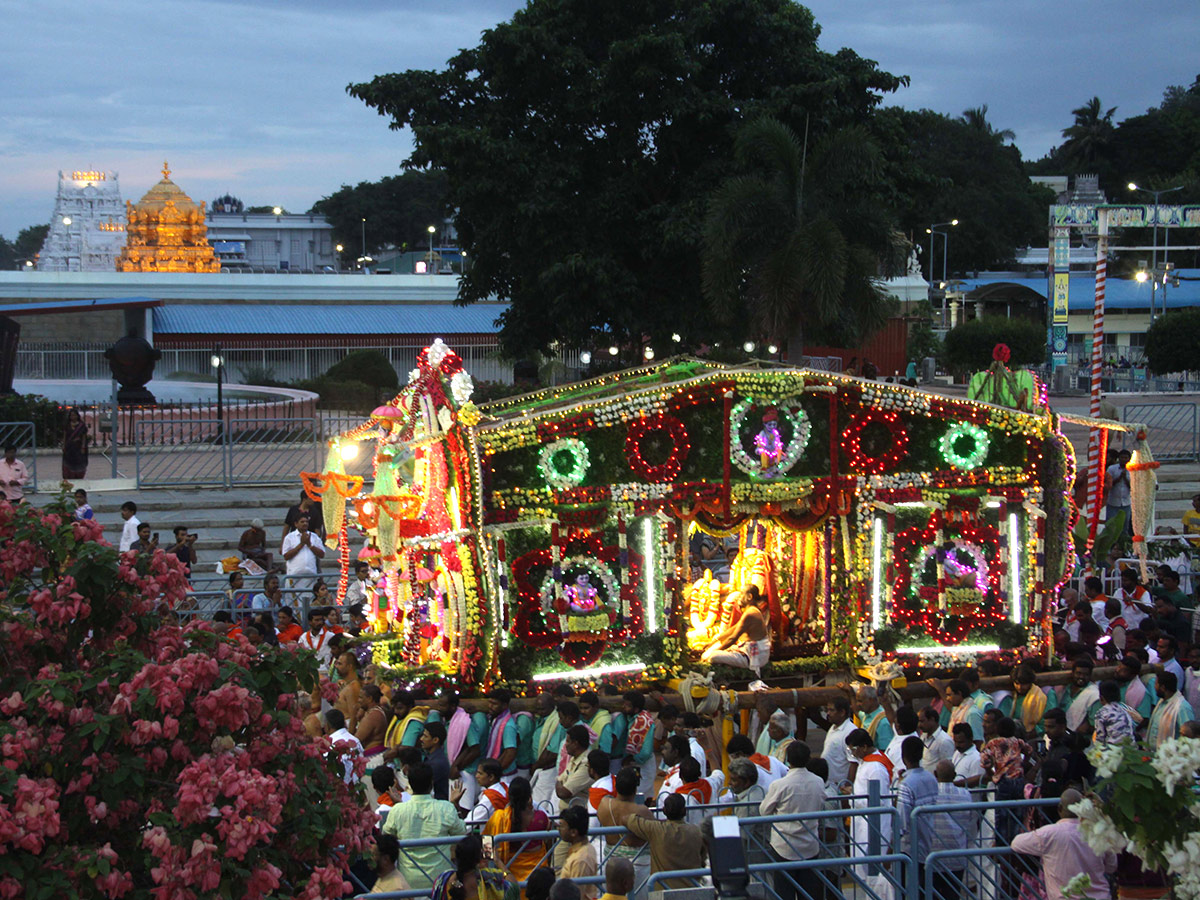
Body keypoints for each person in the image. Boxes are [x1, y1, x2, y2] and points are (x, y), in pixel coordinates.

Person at [1011, 789, 1116, 900]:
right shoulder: (1097, 833)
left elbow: (1016, 843)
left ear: (1059, 809)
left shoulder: (1048, 834)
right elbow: (1111, 866)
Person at [383, 762, 466, 890]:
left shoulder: (398, 810)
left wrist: (398, 806)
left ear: (409, 784)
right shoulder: (446, 808)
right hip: (440, 881)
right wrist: (455, 805)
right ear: (431, 783)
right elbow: (462, 833)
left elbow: (386, 837)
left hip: (409, 881)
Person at [759, 740, 826, 900]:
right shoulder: (818, 782)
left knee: (784, 893)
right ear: (808, 758)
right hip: (810, 845)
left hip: (784, 845)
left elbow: (764, 811)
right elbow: (821, 803)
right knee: (808, 892)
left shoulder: (780, 785)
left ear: (788, 759)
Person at [485, 776, 552, 897]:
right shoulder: (540, 818)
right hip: (537, 876)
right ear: (529, 797)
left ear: (509, 796)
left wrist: (493, 862)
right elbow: (549, 842)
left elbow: (486, 842)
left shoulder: (500, 817)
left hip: (509, 875)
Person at [623, 794, 705, 891]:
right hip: (692, 891)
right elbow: (702, 860)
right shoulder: (696, 832)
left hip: (663, 891)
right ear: (684, 811)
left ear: (664, 811)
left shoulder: (656, 829)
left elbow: (627, 819)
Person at [596, 767, 650, 900]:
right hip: (638, 868)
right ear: (635, 788)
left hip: (612, 866)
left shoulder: (604, 804)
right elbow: (655, 832)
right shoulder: (643, 811)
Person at [928, 761, 975, 900]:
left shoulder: (931, 795)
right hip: (957, 854)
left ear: (935, 774)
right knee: (953, 893)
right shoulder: (966, 795)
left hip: (933, 856)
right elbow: (970, 820)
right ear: (955, 775)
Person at [700, 585, 771, 676]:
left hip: (754, 657)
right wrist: (713, 642)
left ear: (749, 597)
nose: (739, 597)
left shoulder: (751, 613)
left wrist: (716, 651)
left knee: (712, 656)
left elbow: (733, 638)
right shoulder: (750, 611)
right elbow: (733, 629)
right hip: (748, 651)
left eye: (741, 594)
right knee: (714, 648)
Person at [432, 834, 520, 900]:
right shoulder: (488, 878)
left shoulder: (443, 879)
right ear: (479, 860)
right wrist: (498, 861)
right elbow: (513, 887)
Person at [896, 736, 938, 867]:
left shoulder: (906, 784)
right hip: (929, 846)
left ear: (903, 757)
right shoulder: (931, 778)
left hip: (909, 851)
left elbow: (901, 824)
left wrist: (891, 849)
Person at [555, 806, 598, 900]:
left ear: (573, 832)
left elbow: (577, 894)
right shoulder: (584, 849)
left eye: (561, 826)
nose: (558, 829)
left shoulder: (581, 860)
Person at [1147, 670, 1195, 749]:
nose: (1154, 687)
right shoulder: (1161, 702)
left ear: (1162, 688)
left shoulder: (1182, 707)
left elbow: (1188, 737)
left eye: (1156, 684)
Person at [819, 694, 856, 788]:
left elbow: (854, 762)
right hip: (828, 784)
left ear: (842, 712)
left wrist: (847, 788)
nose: (828, 713)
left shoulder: (850, 732)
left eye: (831, 710)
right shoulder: (833, 727)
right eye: (827, 710)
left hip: (840, 787)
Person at [281, 515, 324, 594]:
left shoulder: (314, 537)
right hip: (294, 578)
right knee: (294, 604)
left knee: (310, 603)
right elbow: (286, 556)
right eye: (302, 522)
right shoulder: (289, 537)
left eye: (306, 522)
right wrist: (301, 544)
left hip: (311, 578)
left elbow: (322, 554)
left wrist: (310, 545)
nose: (305, 524)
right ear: (296, 524)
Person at [999, 665, 1048, 736]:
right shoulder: (1010, 697)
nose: (1020, 687)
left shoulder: (1040, 698)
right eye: (1017, 684)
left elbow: (1044, 723)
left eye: (1024, 684)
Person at [556, 724, 594, 813]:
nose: (565, 745)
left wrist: (559, 783)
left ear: (575, 744)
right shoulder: (574, 758)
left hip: (577, 816)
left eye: (568, 741)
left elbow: (563, 793)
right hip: (567, 812)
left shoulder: (586, 764)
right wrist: (559, 783)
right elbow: (559, 780)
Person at [485, 688, 521, 779]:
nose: (490, 706)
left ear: (505, 705)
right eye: (489, 702)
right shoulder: (494, 720)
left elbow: (510, 753)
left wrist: (496, 772)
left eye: (494, 704)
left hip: (505, 775)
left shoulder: (508, 726)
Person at [322, 708, 363, 784]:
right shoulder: (355, 740)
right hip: (357, 785)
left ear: (327, 726)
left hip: (340, 788)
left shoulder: (328, 745)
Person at [356, 683, 389, 762]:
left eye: (361, 697)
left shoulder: (373, 715)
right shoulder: (374, 712)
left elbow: (356, 739)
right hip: (373, 755)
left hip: (373, 758)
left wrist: (354, 717)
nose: (358, 700)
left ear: (370, 699)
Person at [856, 685, 895, 751]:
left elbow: (885, 750)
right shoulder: (865, 715)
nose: (858, 704)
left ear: (871, 700)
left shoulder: (883, 722)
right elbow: (856, 711)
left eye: (860, 701)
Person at [422, 720, 453, 801]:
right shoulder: (432, 757)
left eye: (425, 736)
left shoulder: (437, 763)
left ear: (435, 740)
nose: (421, 739)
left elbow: (423, 786)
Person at [918, 705, 955, 772]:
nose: (919, 725)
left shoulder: (944, 740)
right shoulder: (923, 736)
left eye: (922, 721)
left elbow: (947, 769)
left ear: (932, 719)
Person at [1105, 449, 1132, 534]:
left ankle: (1122, 544)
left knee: (1124, 526)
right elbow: (1108, 484)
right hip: (1113, 503)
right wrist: (1120, 478)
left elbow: (1133, 487)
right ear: (1118, 458)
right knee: (1111, 525)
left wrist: (1125, 479)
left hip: (1126, 503)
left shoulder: (1132, 470)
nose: (1124, 460)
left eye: (1125, 458)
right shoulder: (1112, 469)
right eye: (1122, 458)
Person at [885, 706, 919, 771]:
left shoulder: (905, 748)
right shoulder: (904, 731)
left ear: (898, 725)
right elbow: (890, 718)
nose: (893, 720)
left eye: (895, 719)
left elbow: (902, 773)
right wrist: (885, 702)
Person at [950, 723, 984, 788]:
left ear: (971, 739)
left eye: (960, 742)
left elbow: (976, 784)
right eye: (955, 741)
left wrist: (954, 784)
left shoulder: (977, 759)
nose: (957, 745)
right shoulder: (957, 752)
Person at [61, 409, 89, 480]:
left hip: (78, 448)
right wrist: (63, 445)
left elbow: (84, 437)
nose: (73, 417)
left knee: (79, 463)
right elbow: (64, 436)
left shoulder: (81, 426)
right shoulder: (67, 425)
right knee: (67, 463)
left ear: (77, 416)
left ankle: (78, 476)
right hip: (69, 448)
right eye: (71, 415)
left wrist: (83, 447)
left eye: (74, 415)